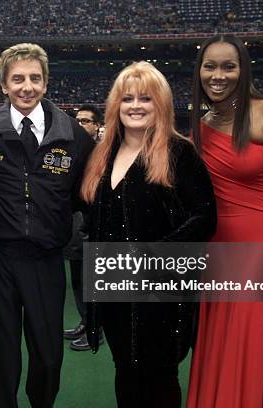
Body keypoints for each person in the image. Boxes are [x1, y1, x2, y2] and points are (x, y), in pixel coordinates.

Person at [0, 43, 94, 408]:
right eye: (17, 79)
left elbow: (88, 197)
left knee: (48, 357)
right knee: (1, 356)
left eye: (35, 78)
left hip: (46, 259)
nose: (27, 86)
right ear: (3, 85)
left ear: (46, 83)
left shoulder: (74, 136)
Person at [81, 61, 217, 407]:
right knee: (125, 371)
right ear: (116, 105)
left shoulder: (179, 152)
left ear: (161, 105)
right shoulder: (103, 154)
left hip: (161, 292)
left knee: (159, 377)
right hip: (115, 291)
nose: (136, 106)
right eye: (128, 99)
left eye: (146, 99)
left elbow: (205, 218)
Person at [186, 34, 263, 408]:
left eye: (228, 66)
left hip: (262, 249)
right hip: (218, 252)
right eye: (210, 66)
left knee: (249, 348)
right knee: (220, 347)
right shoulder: (200, 126)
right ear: (199, 71)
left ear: (243, 69)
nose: (218, 75)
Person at [64, 104, 104, 352]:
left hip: (92, 225)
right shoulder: (72, 150)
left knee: (92, 283)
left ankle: (95, 331)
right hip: (74, 225)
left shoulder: (102, 152)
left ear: (97, 125)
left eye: (87, 121)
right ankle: (85, 321)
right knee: (78, 280)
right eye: (77, 120)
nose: (81, 125)